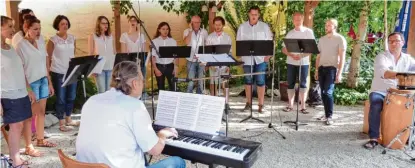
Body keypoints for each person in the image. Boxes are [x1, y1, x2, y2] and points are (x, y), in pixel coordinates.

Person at [76, 61, 186, 168]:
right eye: (142, 81)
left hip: (85, 166)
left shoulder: (92, 100)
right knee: (177, 162)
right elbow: (155, 150)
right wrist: (162, 134)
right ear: (135, 83)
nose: (143, 84)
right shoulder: (135, 106)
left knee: (138, 151)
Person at [363, 32, 415, 149]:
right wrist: (403, 75)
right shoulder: (382, 56)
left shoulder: (408, 59)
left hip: (400, 93)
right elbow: (385, 73)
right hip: (381, 90)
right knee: (375, 103)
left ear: (403, 43)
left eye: (396, 41)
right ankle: (373, 139)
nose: (393, 44)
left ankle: (410, 137)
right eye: (390, 41)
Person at [1, 15, 36, 168]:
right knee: (15, 127)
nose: (13, 30)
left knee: (20, 126)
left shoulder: (10, 48)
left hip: (21, 93)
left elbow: (20, 69)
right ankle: (15, 161)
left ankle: (13, 158)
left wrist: (28, 89)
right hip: (8, 95)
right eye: (9, 26)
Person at [11, 8, 50, 139]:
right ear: (26, 28)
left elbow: (45, 61)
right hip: (31, 81)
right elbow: (20, 69)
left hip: (43, 79)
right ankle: (29, 144)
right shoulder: (20, 45)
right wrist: (28, 88)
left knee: (42, 112)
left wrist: (49, 82)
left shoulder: (41, 40)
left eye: (39, 28)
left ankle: (40, 139)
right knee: (31, 114)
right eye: (35, 29)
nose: (38, 31)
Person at [237, 6, 273, 113]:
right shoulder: (242, 27)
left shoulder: (264, 26)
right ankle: (248, 103)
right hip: (247, 59)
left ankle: (261, 104)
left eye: (256, 15)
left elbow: (270, 41)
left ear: (259, 15)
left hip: (261, 59)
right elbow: (238, 42)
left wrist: (269, 55)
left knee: (260, 81)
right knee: (248, 80)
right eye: (252, 14)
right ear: (249, 14)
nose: (254, 16)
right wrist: (240, 57)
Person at [47, 15, 79, 132]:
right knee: (61, 98)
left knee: (71, 96)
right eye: (62, 24)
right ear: (57, 26)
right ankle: (61, 122)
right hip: (58, 72)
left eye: (66, 23)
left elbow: (73, 53)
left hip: (72, 72)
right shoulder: (52, 40)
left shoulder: (72, 38)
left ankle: (68, 118)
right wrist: (48, 74)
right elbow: (48, 57)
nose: (65, 26)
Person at [314, 18, 347, 125]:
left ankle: (330, 116)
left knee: (328, 92)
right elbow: (318, 56)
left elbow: (342, 58)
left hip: (332, 69)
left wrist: (340, 73)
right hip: (321, 68)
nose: (326, 27)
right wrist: (316, 70)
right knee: (322, 93)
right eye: (326, 25)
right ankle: (326, 113)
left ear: (334, 26)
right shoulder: (322, 39)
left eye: (329, 25)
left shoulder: (340, 39)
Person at [282, 12, 316, 114]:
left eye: (299, 19)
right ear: (293, 21)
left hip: (303, 62)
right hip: (291, 62)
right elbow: (283, 49)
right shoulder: (290, 33)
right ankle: (290, 105)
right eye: (295, 19)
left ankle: (303, 106)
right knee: (290, 83)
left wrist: (301, 56)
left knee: (303, 84)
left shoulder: (308, 32)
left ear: (302, 20)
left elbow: (312, 49)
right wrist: (291, 55)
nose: (297, 21)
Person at [120, 15, 149, 99]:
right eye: (131, 20)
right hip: (130, 64)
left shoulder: (141, 36)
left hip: (140, 62)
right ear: (128, 22)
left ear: (137, 23)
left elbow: (144, 51)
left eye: (135, 21)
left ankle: (141, 100)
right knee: (130, 83)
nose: (133, 22)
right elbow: (123, 52)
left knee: (141, 81)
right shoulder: (124, 36)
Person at [89, 16, 116, 93]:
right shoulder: (92, 36)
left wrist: (115, 68)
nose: (106, 25)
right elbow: (90, 54)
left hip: (110, 68)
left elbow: (114, 52)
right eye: (103, 23)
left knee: (109, 93)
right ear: (98, 24)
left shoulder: (111, 36)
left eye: (107, 23)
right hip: (99, 69)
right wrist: (92, 69)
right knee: (101, 92)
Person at [206, 16, 232, 96]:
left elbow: (230, 53)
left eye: (219, 24)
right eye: (216, 24)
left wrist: (228, 66)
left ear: (223, 25)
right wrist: (210, 65)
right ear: (213, 25)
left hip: (224, 65)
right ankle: (214, 104)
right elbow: (208, 53)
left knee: (225, 85)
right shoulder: (209, 37)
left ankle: (226, 104)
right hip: (213, 65)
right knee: (213, 85)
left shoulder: (227, 37)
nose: (217, 26)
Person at [183, 15, 208, 94]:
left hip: (201, 60)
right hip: (191, 60)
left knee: (200, 82)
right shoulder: (186, 31)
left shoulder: (204, 31)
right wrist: (191, 30)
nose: (197, 24)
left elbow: (206, 45)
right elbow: (186, 42)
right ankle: (189, 99)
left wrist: (206, 61)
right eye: (195, 22)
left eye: (199, 22)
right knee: (191, 82)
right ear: (191, 23)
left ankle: (199, 98)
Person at [151, 22, 178, 91]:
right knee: (161, 88)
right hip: (159, 67)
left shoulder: (173, 41)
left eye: (167, 29)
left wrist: (175, 68)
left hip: (170, 67)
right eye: (163, 29)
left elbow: (176, 56)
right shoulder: (154, 41)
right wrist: (155, 69)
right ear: (159, 30)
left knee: (173, 87)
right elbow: (153, 57)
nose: (165, 31)